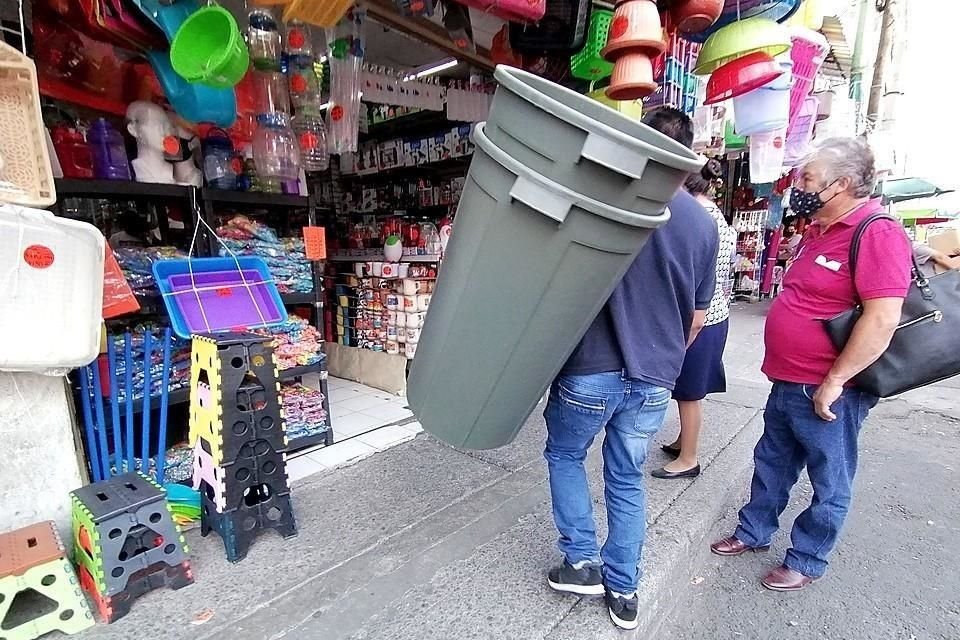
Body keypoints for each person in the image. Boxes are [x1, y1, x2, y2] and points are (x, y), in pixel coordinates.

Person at [543, 108, 720, 630]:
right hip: (654, 378)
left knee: (565, 453)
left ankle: (580, 562)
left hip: (589, 368)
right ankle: (623, 589)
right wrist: (663, 355)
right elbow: (697, 318)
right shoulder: (703, 224)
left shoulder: (604, 195)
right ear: (686, 160)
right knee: (626, 477)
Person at [710, 137, 912, 591]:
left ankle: (806, 557)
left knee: (830, 476)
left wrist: (836, 380)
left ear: (840, 185)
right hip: (788, 379)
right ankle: (754, 531)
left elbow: (881, 318)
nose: (796, 186)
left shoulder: (876, 232)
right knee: (772, 461)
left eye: (807, 179)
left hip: (828, 387)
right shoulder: (821, 228)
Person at [654, 159, 736, 479]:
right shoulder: (713, 215)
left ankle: (689, 458)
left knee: (689, 394)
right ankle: (682, 441)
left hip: (701, 320)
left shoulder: (699, 219)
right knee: (687, 391)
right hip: (715, 316)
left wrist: (684, 338)